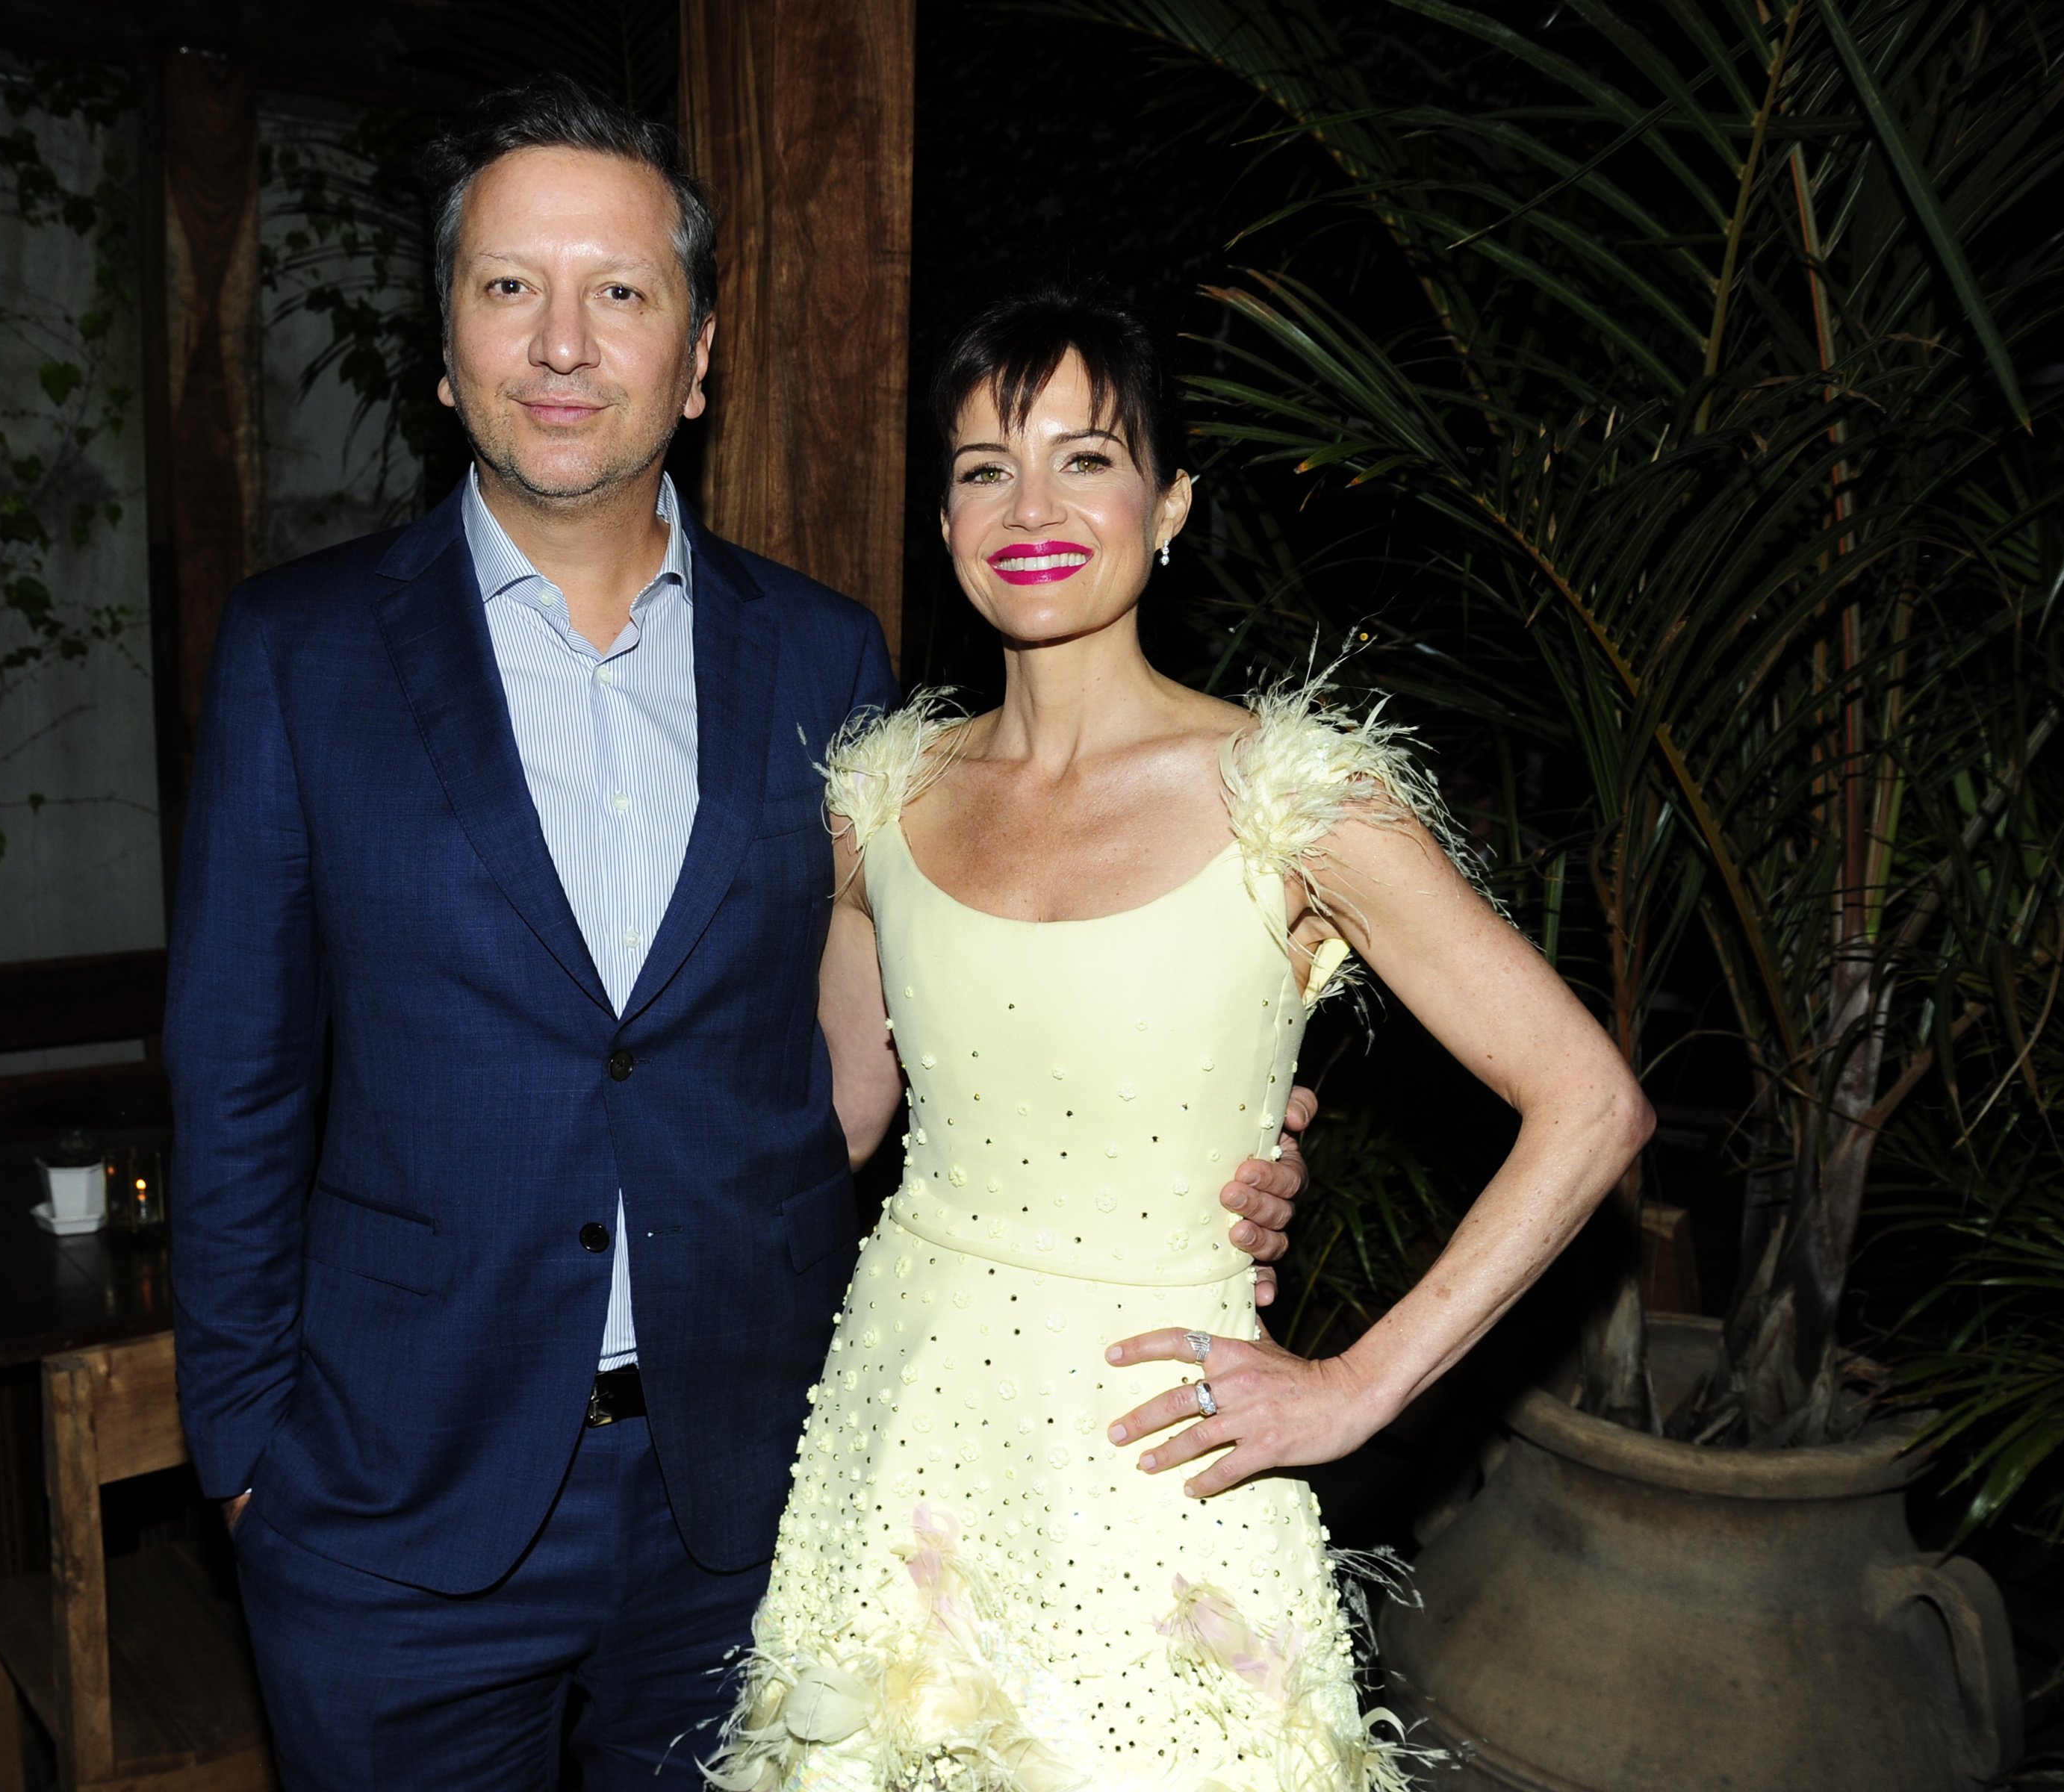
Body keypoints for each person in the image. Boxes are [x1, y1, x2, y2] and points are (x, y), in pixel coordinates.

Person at [164, 82, 1312, 1791]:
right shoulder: (297, 653)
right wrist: (245, 1458)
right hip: (389, 1509)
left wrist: (1193, 1138)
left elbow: (917, 1027)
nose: (562, 341)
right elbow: (233, 1081)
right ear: (445, 343)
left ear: (697, 361)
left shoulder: (826, 663)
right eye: (508, 288)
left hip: (750, 1494)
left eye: (620, 292)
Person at [707, 295, 1655, 1792]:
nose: (1031, 510)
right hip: (911, 1435)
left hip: (1162, 1453)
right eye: (981, 469)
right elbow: (838, 1112)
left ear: (1172, 505)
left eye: (1086, 460)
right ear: (941, 516)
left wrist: (1355, 1387)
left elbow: (1590, 1105)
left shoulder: (1292, 795)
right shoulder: (879, 799)